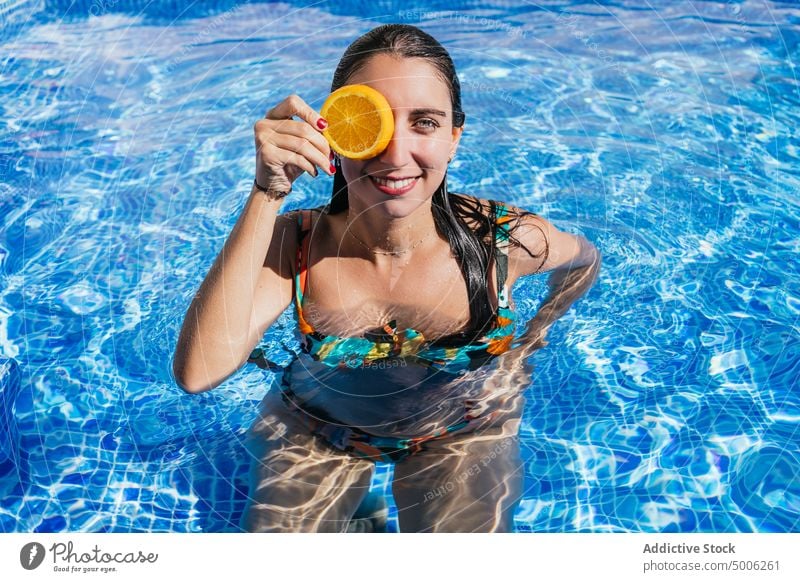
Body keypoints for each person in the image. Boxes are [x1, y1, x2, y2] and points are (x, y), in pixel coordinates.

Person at [172, 23, 601, 533]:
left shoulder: (501, 242)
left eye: (424, 123)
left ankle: (362, 526)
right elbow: (198, 374)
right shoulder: (294, 246)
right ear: (333, 132)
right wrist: (267, 191)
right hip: (317, 431)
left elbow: (584, 262)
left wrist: (530, 344)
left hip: (461, 433)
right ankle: (361, 526)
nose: (396, 156)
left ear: (453, 138)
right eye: (372, 123)